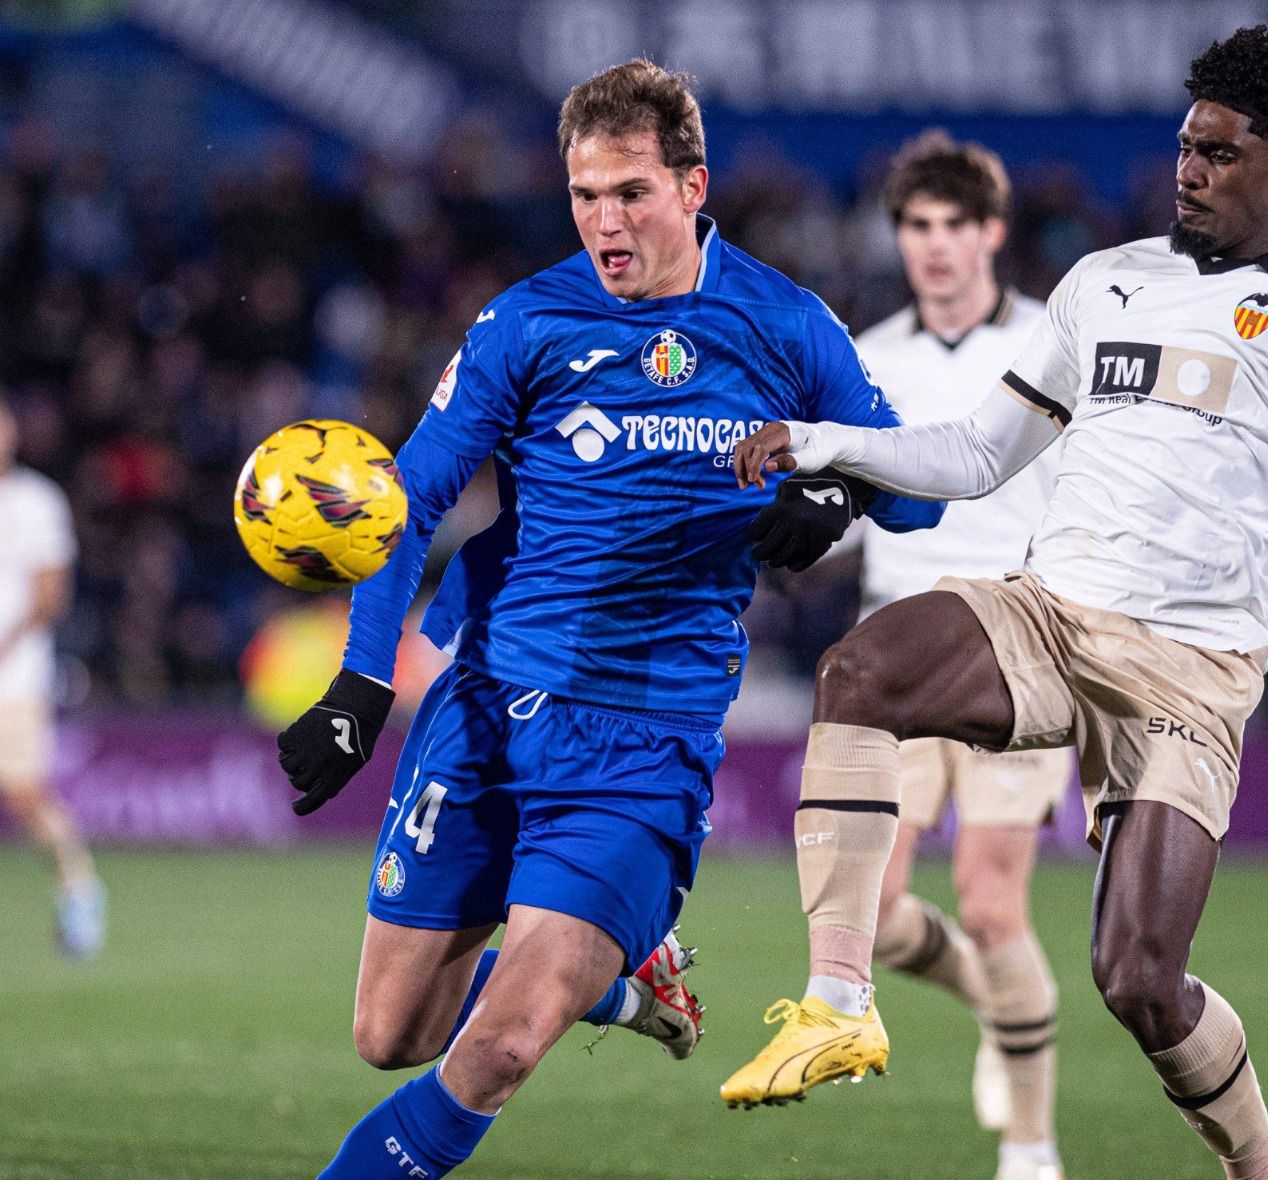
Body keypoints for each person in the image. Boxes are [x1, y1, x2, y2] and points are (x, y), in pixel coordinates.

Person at [722, 26, 1268, 1180]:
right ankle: (839, 1000)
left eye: (1219, 153)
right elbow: (979, 454)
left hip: (1191, 663)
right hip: (1050, 613)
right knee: (859, 670)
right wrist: (826, 443)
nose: (1189, 170)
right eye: (1184, 147)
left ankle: (1260, 1164)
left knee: (1137, 979)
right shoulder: (1106, 281)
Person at [274, 60, 942, 1178]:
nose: (605, 222)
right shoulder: (525, 321)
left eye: (631, 192)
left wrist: (838, 482)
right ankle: (626, 983)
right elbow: (408, 498)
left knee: (500, 1047)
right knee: (390, 1034)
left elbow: (919, 493)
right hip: (486, 709)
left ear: (692, 186)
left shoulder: (783, 322)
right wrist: (360, 682)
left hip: (642, 739)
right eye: (585, 196)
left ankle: (578, 967)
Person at [850, 130, 1070, 1180]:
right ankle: (997, 1004)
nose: (933, 246)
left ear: (992, 232)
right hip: (894, 652)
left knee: (988, 901)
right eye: (915, 226)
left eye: (953, 225)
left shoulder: (1055, 346)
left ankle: (1030, 1145)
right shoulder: (863, 357)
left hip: (1017, 646)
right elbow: (840, 511)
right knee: (868, 913)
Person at [0, 396, 104, 961]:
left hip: (14, 677)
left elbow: (50, 593)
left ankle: (80, 891)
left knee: (23, 792)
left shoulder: (36, 501)